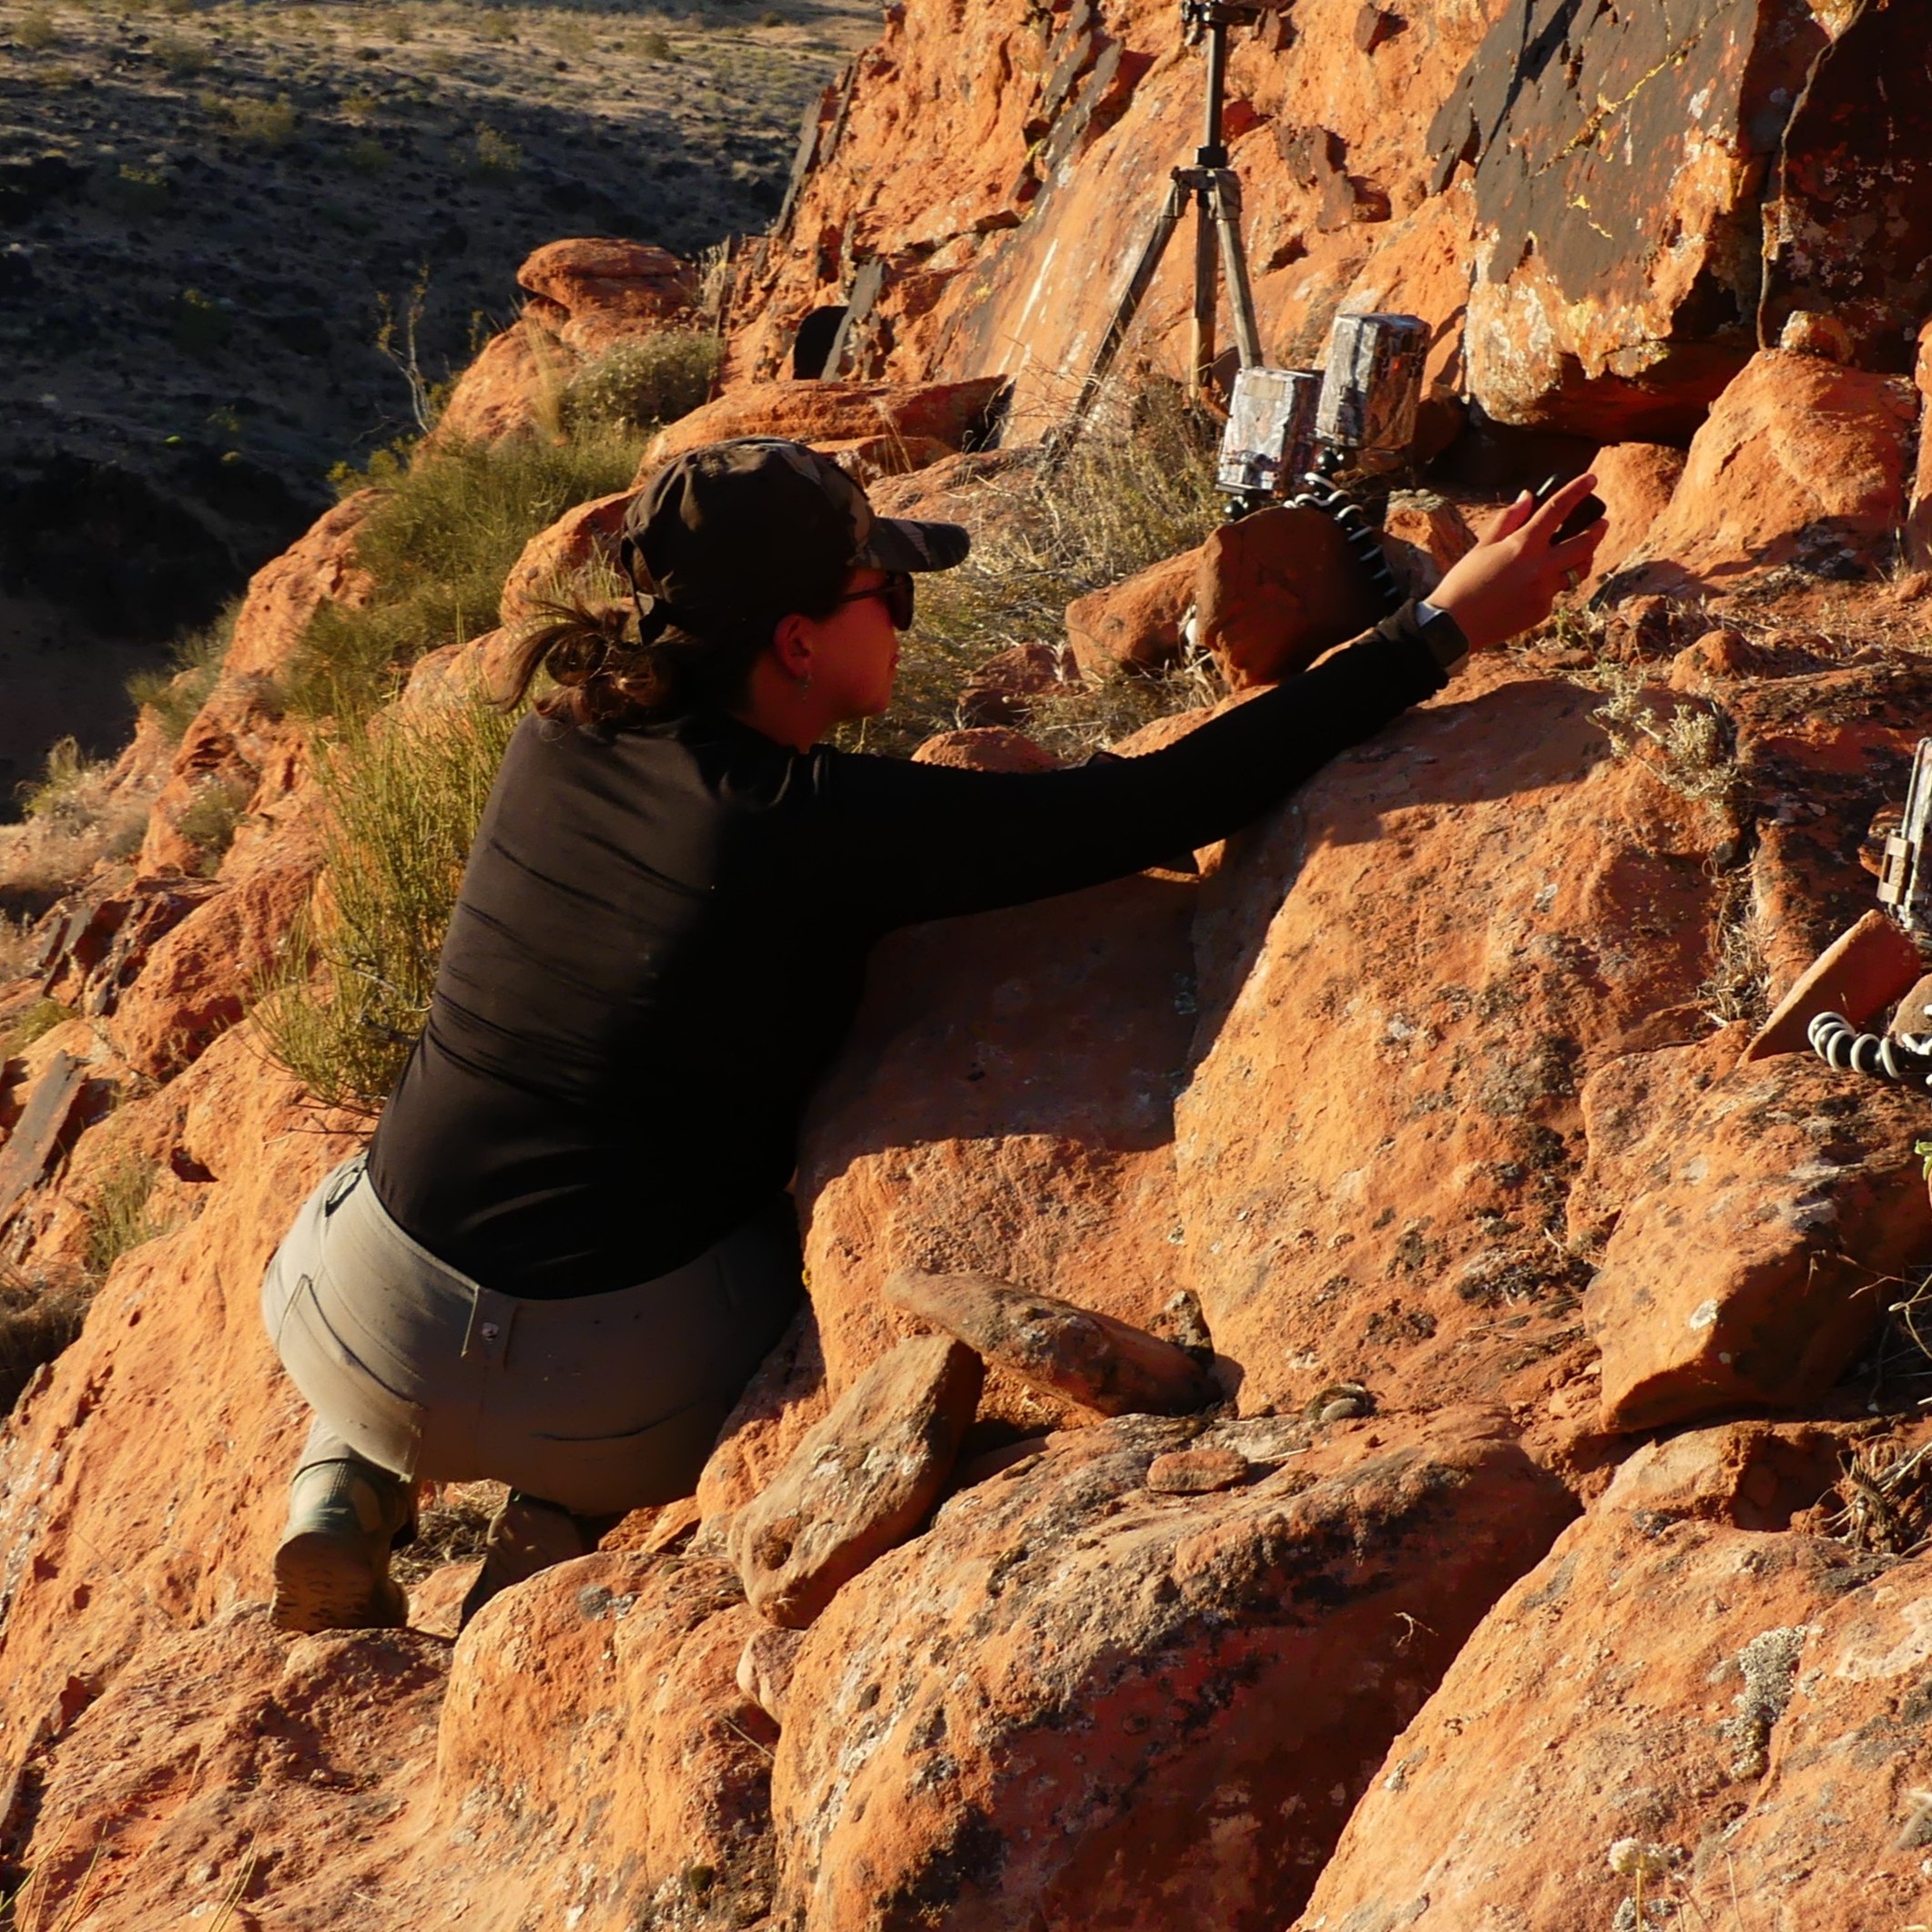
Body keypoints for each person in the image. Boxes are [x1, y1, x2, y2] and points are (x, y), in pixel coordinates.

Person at [259, 436, 1604, 1634]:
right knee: (778, 1269)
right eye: (885, 593)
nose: (907, 615)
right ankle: (549, 1525)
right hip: (609, 1386)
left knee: (416, 1144)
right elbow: (1156, 804)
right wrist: (1436, 630)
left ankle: (345, 1471)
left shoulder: (555, 740)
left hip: (356, 1309)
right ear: (794, 641)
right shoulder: (815, 826)